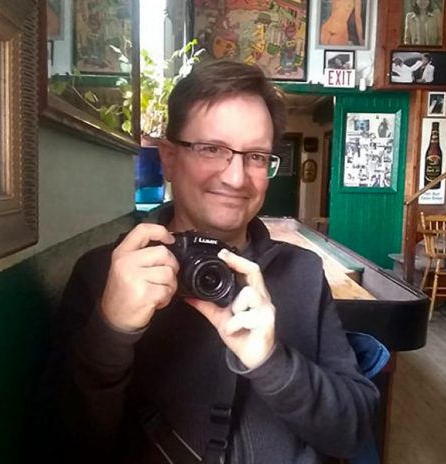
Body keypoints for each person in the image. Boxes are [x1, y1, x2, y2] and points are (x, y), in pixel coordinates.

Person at [47, 60, 379, 463]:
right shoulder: (105, 274)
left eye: (256, 156)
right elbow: (64, 446)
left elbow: (353, 431)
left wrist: (273, 363)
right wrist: (110, 332)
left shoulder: (303, 274)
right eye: (211, 149)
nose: (236, 177)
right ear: (168, 158)